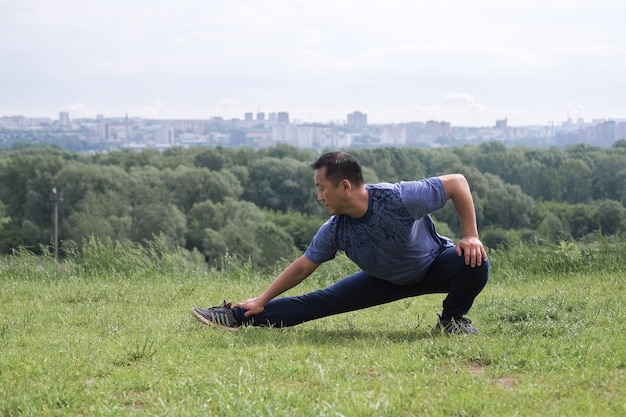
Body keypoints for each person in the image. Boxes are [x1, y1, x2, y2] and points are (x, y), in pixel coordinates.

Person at [191, 151, 489, 334]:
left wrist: (471, 235)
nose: (319, 196)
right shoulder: (336, 229)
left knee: (474, 260)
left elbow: (457, 183)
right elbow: (303, 267)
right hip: (383, 280)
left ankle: (452, 321)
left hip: (434, 264)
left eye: (322, 189)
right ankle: (234, 316)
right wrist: (260, 300)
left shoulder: (398, 197)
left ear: (345, 186)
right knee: (317, 303)